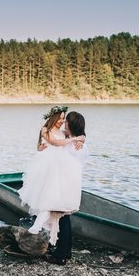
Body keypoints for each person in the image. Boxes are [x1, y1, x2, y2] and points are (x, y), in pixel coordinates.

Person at [18, 106, 85, 246]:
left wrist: (80, 139)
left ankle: (38, 227)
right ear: (53, 117)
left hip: (61, 168)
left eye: (63, 119)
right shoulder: (45, 130)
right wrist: (75, 139)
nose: (62, 121)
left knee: (52, 197)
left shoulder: (63, 132)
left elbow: (79, 136)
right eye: (60, 118)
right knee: (47, 196)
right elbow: (54, 143)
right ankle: (38, 226)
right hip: (48, 167)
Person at [43, 111, 88, 265]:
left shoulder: (76, 147)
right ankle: (65, 252)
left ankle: (60, 256)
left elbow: (68, 167)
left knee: (62, 219)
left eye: (66, 122)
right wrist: (81, 137)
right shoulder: (74, 141)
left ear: (72, 125)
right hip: (68, 185)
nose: (64, 124)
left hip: (66, 185)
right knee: (64, 219)